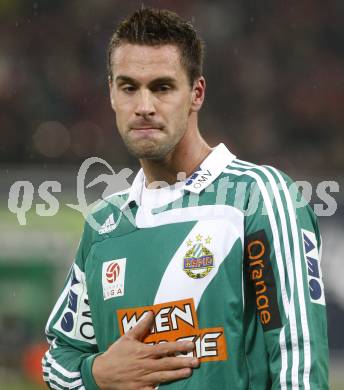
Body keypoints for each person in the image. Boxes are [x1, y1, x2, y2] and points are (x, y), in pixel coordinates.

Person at [42, 7, 329, 390]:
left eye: (162, 87)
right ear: (110, 93)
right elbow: (58, 361)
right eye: (129, 87)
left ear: (196, 93)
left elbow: (299, 363)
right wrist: (96, 375)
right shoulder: (104, 224)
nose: (144, 106)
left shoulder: (259, 197)